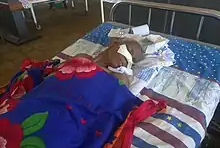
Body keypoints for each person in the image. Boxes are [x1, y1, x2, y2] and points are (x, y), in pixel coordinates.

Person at [0, 41, 165, 148]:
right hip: (45, 99)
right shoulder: (82, 58)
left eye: (133, 60)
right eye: (129, 50)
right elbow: (55, 75)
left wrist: (121, 77)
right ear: (115, 44)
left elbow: (115, 98)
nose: (129, 58)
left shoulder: (122, 78)